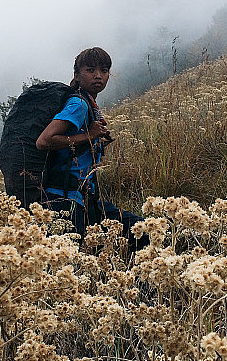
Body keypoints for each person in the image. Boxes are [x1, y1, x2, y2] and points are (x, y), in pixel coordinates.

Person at [36, 47, 148, 252]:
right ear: (77, 75)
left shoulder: (89, 104)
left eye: (104, 70)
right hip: (64, 200)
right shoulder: (78, 105)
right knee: (71, 264)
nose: (98, 75)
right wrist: (88, 136)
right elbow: (44, 141)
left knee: (141, 231)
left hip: (85, 200)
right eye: (90, 70)